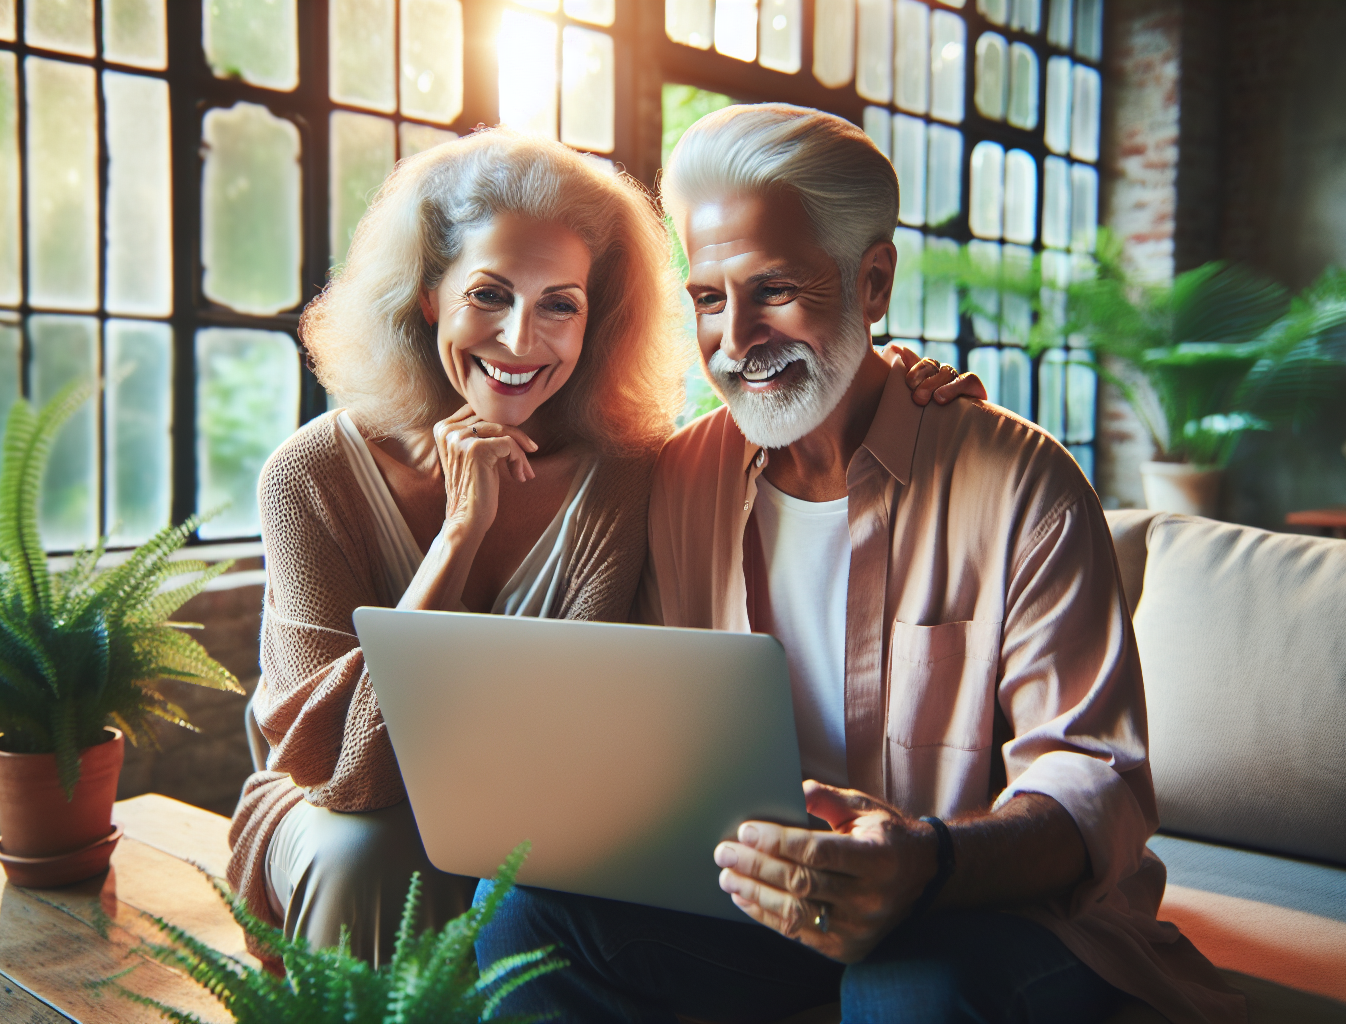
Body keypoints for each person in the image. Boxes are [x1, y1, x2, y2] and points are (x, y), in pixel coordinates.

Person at [475, 105, 1247, 1024]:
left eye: (776, 290)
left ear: (872, 281)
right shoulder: (680, 478)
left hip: (997, 913)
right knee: (518, 916)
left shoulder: (1024, 483)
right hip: (768, 911)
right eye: (710, 300)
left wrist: (924, 861)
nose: (737, 339)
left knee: (904, 990)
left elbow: (1095, 785)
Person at [226, 127, 965, 967]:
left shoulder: (618, 476)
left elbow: (560, 757)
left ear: (597, 317)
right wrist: (459, 536)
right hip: (329, 814)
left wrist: (892, 372)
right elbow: (344, 776)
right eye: (490, 295)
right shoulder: (311, 475)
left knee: (549, 884)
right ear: (430, 294)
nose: (519, 342)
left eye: (559, 305)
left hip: (520, 814)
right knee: (366, 851)